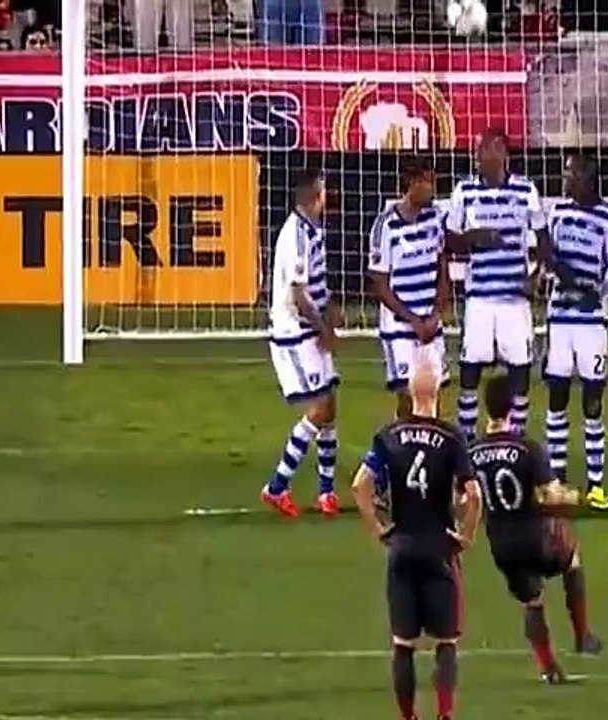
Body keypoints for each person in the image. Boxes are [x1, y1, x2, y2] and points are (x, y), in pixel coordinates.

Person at [349, 361, 482, 720]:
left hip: (403, 546)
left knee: (403, 644)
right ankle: (445, 713)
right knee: (446, 641)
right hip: (439, 547)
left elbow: (360, 486)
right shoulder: (452, 437)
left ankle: (408, 716)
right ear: (438, 391)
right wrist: (466, 535)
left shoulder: (388, 435)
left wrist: (378, 528)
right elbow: (474, 495)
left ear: (409, 392)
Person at [470, 373, 602, 684]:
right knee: (571, 558)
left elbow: (464, 497)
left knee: (532, 600)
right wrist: (574, 497)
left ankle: (548, 667)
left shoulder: (472, 452)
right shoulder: (527, 448)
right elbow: (550, 495)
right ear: (512, 407)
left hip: (500, 543)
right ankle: (583, 635)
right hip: (534, 536)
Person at [447, 128, 545, 442]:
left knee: (520, 370)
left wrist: (537, 275)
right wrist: (472, 237)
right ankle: (467, 441)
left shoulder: (526, 190)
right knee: (470, 370)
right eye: (477, 150)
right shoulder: (464, 191)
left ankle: (515, 439)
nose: (477, 156)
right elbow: (449, 239)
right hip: (479, 298)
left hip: (514, 300)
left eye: (483, 149)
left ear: (502, 152)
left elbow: (544, 239)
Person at [539, 154, 608, 510]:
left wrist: (597, 293)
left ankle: (596, 484)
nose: (566, 180)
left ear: (588, 179)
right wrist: (553, 272)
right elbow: (548, 257)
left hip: (591, 323)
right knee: (557, 398)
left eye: (571, 175)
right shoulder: (557, 213)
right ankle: (556, 479)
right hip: (560, 318)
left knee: (592, 401)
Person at [262, 168, 341, 518]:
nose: (328, 197)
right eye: (324, 192)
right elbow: (297, 294)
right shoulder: (295, 235)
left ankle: (326, 492)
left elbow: (315, 283)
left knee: (330, 406)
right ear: (313, 196)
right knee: (319, 409)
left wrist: (331, 308)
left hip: (310, 328)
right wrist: (324, 328)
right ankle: (277, 486)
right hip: (294, 331)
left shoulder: (312, 229)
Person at [368, 157, 451, 419]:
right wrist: (413, 320)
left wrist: (436, 315)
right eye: (428, 182)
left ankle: (431, 443)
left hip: (430, 323)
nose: (432, 189)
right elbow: (380, 283)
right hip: (400, 327)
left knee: (433, 393)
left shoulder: (435, 217)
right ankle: (402, 442)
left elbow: (443, 269)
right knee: (407, 395)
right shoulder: (385, 226)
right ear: (412, 183)